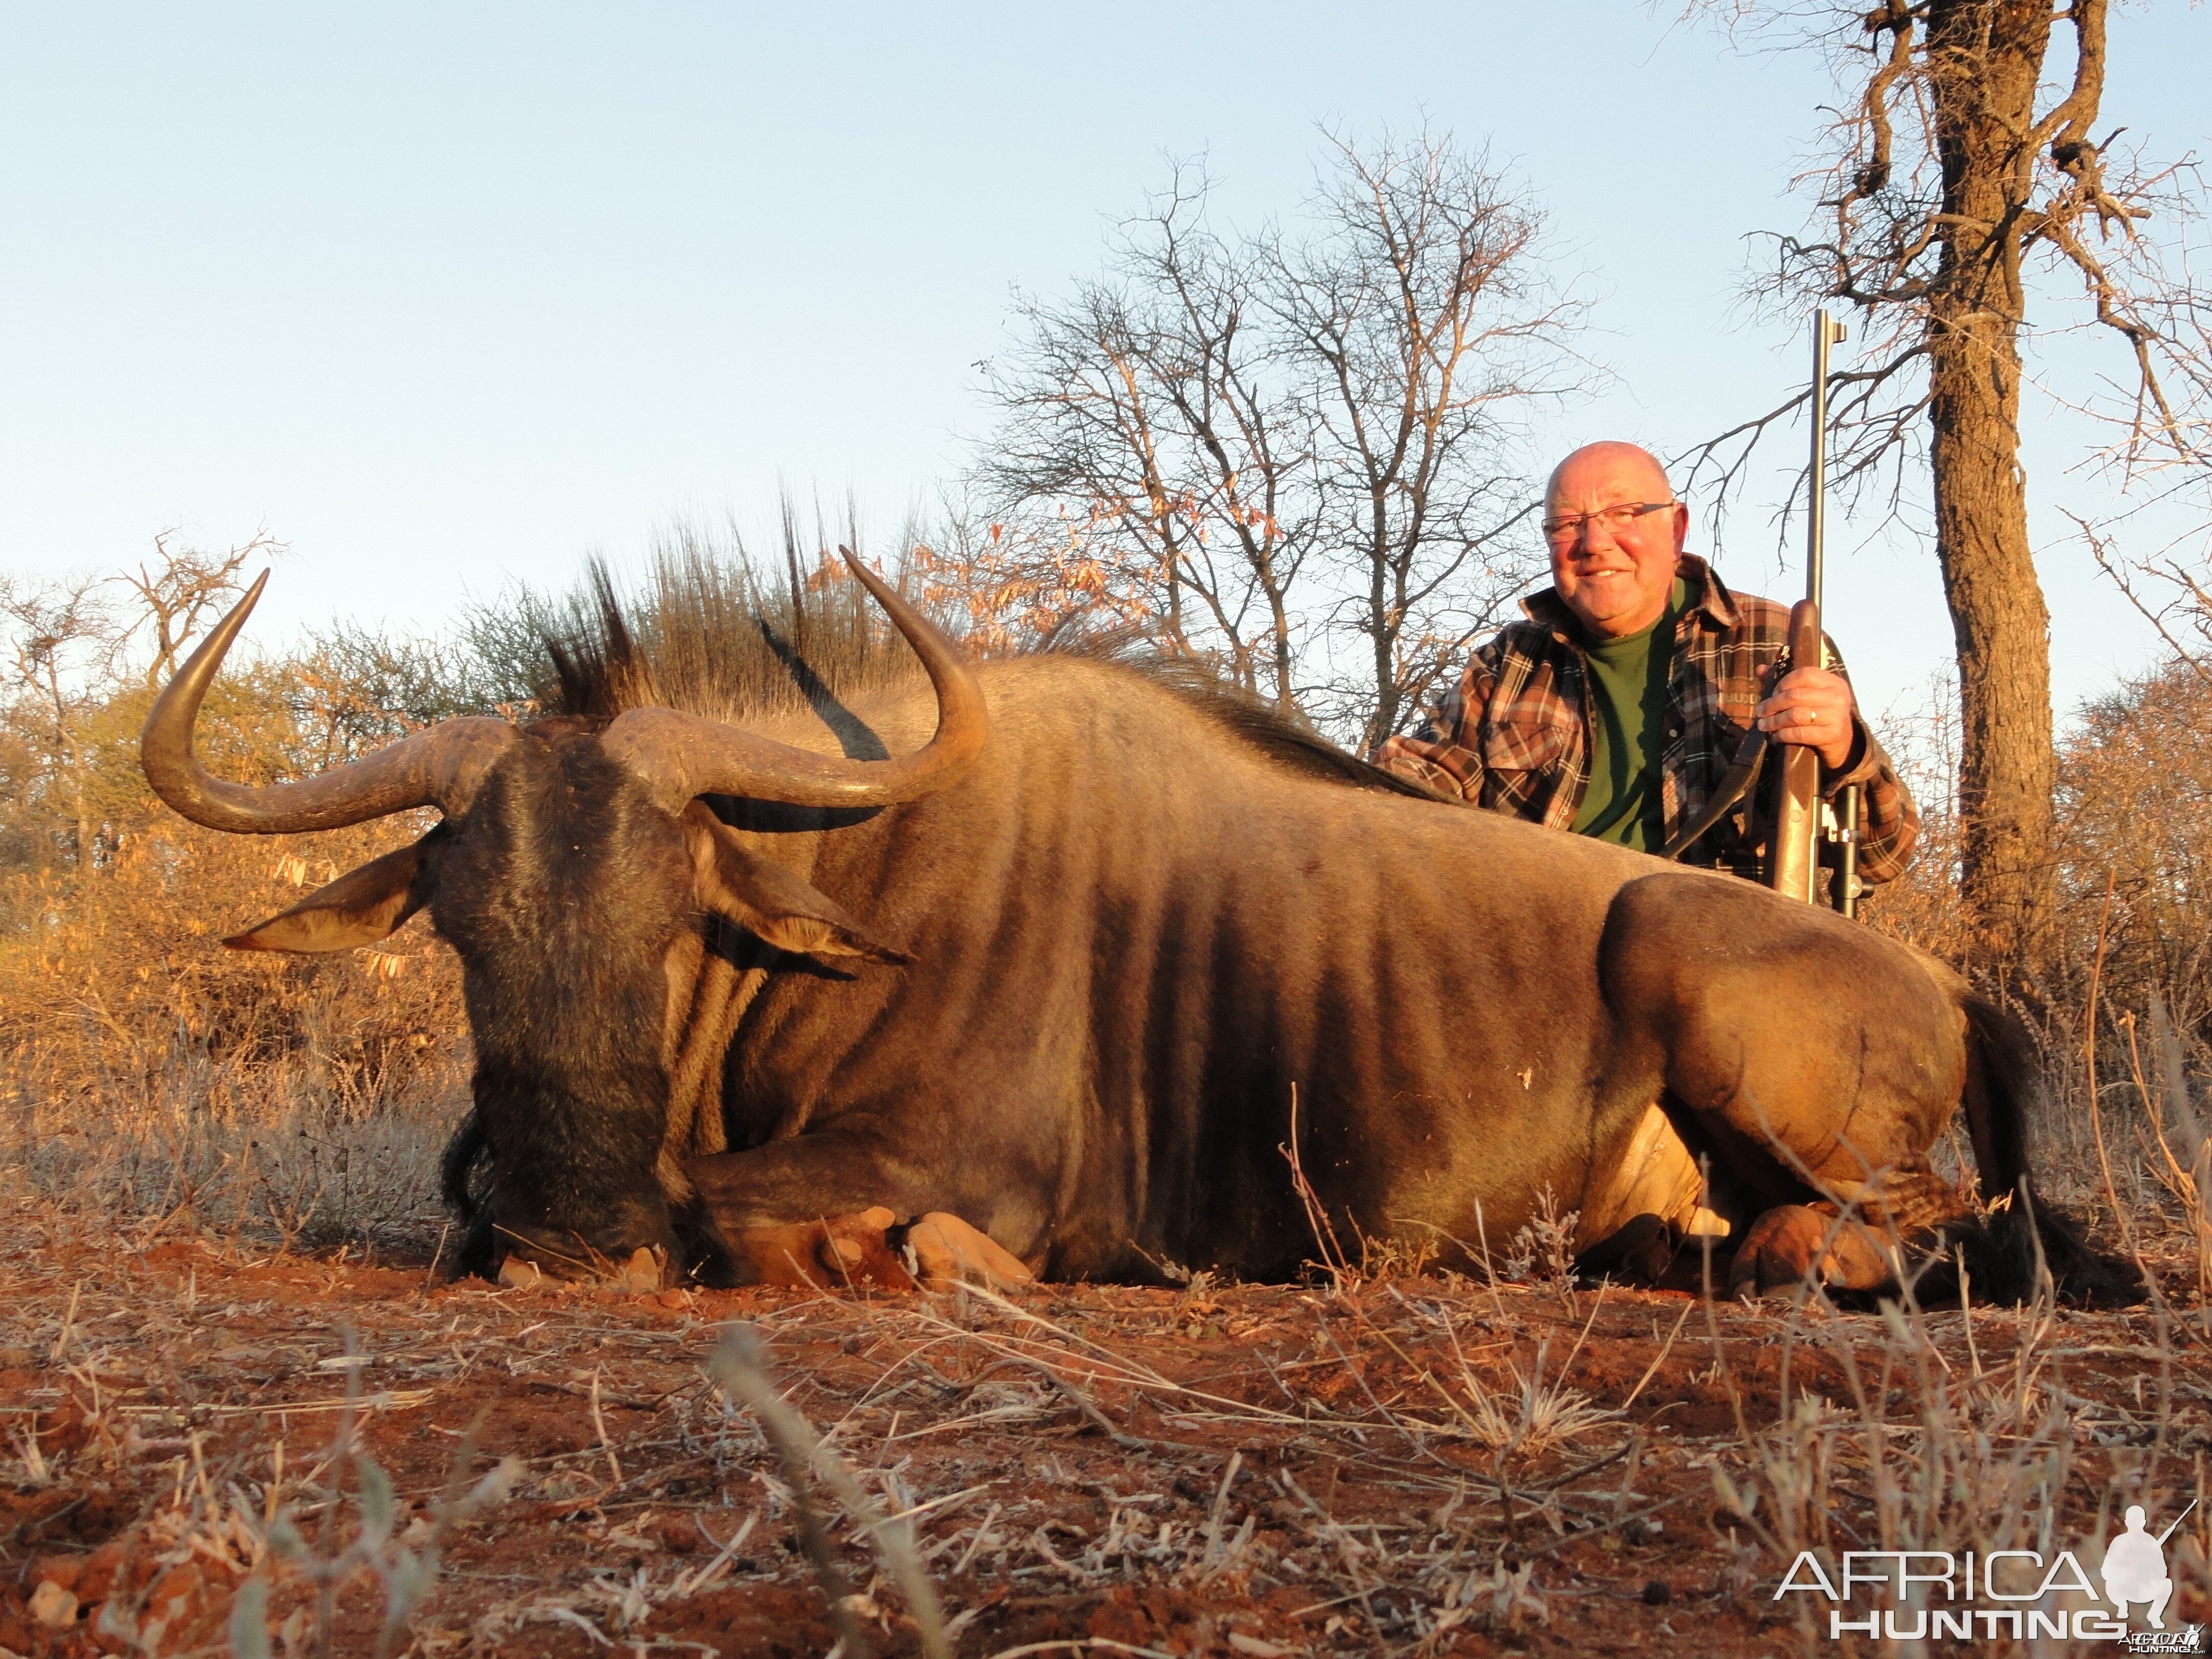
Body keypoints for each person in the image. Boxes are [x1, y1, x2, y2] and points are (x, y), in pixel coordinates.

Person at [1377, 441, 1917, 885]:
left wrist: (1843, 750)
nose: (1593, 542)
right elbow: (1407, 793)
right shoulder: (1510, 662)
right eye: (1568, 524)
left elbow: (1884, 856)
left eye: (1623, 514)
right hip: (1544, 956)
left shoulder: (1776, 644)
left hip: (1721, 961)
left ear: (1677, 529)